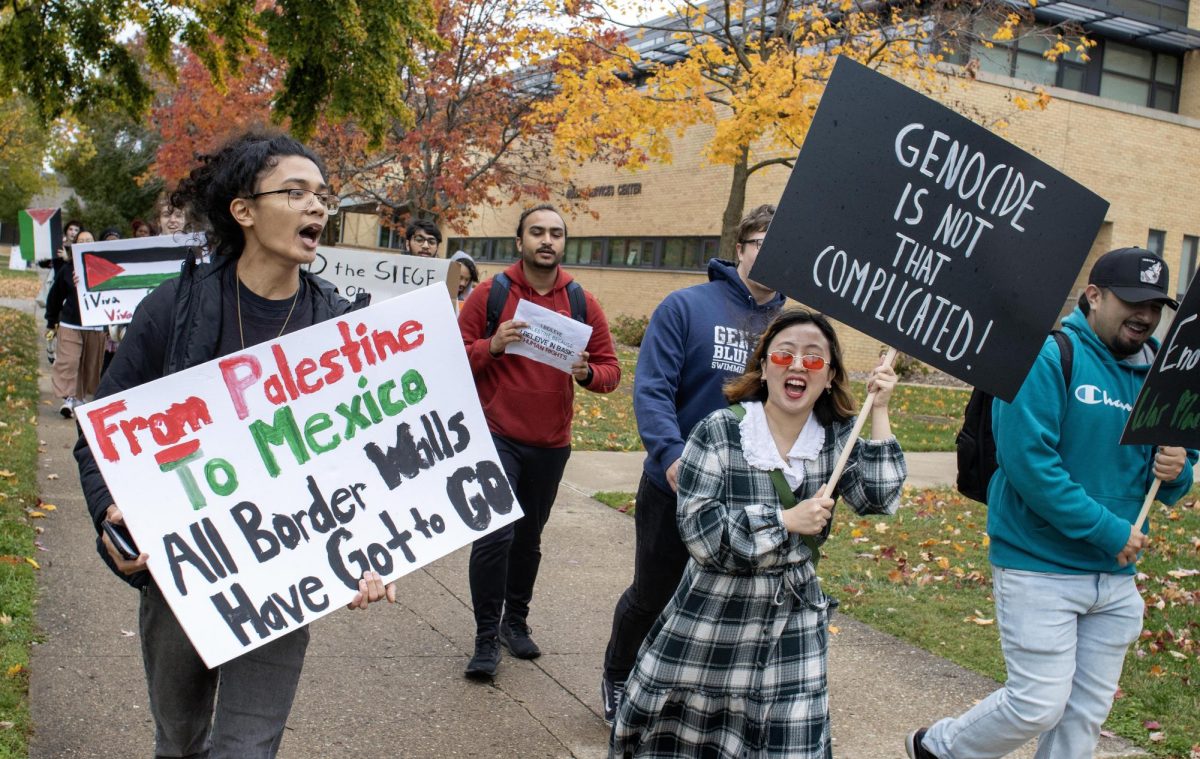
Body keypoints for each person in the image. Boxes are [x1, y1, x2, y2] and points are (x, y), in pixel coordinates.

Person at [73, 131, 395, 759]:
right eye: (295, 192)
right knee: (181, 741)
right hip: (183, 576)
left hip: (286, 574)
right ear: (243, 211)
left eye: (322, 195)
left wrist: (374, 545)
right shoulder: (174, 308)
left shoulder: (337, 328)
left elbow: (364, 458)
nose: (317, 207)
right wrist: (111, 515)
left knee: (248, 748)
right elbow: (98, 433)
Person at [906, 247, 1195, 759]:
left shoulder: (1160, 373)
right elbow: (1030, 466)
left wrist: (1178, 471)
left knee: (1082, 719)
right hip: (1039, 564)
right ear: (1094, 296)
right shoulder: (1045, 356)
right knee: (1038, 703)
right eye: (1132, 302)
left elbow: (1172, 474)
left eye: (1155, 306)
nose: (1145, 317)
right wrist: (1109, 530)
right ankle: (941, 748)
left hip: (1115, 576)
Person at [611, 307, 906, 758]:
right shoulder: (718, 433)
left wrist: (880, 410)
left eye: (813, 359)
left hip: (793, 621)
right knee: (690, 742)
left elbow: (880, 497)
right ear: (764, 366)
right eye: (784, 354)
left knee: (792, 743)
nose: (797, 366)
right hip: (713, 621)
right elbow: (701, 536)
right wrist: (784, 521)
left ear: (828, 377)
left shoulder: (835, 439)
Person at [600, 204, 785, 722]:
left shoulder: (792, 326)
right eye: (760, 245)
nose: (770, 258)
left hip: (751, 493)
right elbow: (653, 388)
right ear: (741, 248)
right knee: (654, 594)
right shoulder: (686, 307)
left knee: (723, 606)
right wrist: (671, 454)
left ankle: (690, 696)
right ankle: (619, 673)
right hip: (677, 484)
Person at [458, 204, 622, 679]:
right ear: (520, 241)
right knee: (495, 536)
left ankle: (516, 622)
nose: (546, 240)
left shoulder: (581, 302)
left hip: (551, 441)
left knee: (527, 539)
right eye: (537, 232)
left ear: (563, 243)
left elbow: (611, 370)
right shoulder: (492, 294)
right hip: (496, 435)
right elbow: (451, 356)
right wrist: (491, 345)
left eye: (555, 233)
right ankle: (485, 637)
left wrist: (588, 372)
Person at [45, 229, 107, 417]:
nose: (86, 243)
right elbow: (55, 296)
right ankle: (69, 398)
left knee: (89, 364)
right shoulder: (67, 270)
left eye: (90, 239)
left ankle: (80, 398)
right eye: (82, 241)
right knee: (69, 361)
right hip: (71, 323)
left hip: (95, 325)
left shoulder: (106, 267)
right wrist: (51, 320)